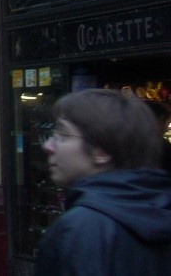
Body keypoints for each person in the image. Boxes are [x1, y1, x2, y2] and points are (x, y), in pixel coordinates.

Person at [34, 89, 171, 276]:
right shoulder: (160, 210)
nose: (48, 146)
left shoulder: (80, 228)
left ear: (100, 151)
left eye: (63, 135)